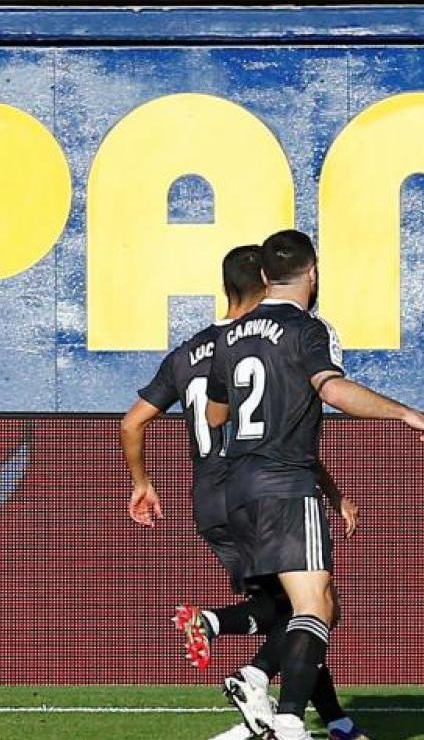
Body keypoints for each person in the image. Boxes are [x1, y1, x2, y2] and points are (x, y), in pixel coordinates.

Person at [122, 244, 369, 740]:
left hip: (212, 501)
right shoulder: (267, 340)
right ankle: (259, 686)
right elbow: (282, 427)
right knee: (311, 605)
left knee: (300, 606)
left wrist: (142, 484)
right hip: (262, 486)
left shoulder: (189, 350)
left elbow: (133, 423)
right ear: (265, 280)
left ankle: (327, 718)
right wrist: (331, 489)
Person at [205, 229, 424, 740]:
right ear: (312, 274)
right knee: (317, 605)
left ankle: (266, 700)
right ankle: (284, 712)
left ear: (265, 278)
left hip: (237, 489)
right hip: (287, 484)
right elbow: (331, 389)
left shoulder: (228, 336)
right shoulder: (310, 330)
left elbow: (215, 412)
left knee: (302, 607)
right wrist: (402, 412)